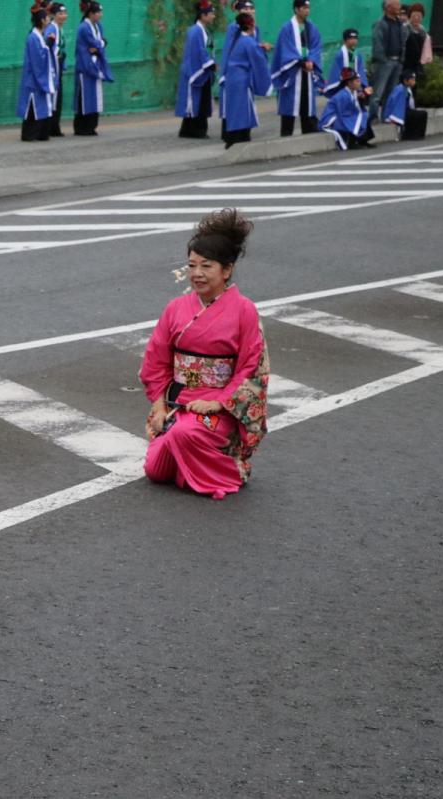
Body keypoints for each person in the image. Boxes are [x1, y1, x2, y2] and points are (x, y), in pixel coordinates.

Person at [140, 209, 268, 501]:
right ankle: (190, 465)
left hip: (218, 407)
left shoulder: (244, 310)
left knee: (185, 435)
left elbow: (250, 367)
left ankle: (230, 470)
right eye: (192, 265)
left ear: (227, 270)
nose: (197, 274)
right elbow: (156, 361)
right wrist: (159, 406)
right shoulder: (175, 308)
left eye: (206, 266)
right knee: (154, 471)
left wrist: (218, 403)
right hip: (177, 403)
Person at [218, 0, 269, 140]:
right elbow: (229, 50)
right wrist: (224, 73)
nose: (249, 11)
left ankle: (240, 133)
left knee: (244, 103)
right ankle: (232, 134)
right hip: (237, 70)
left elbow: (254, 47)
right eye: (245, 8)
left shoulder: (255, 29)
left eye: (251, 8)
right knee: (234, 103)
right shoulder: (234, 28)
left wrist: (261, 47)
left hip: (247, 70)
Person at [271, 0, 322, 136]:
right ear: (296, 9)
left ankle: (309, 133)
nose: (307, 10)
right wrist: (300, 62)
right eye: (304, 8)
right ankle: (286, 135)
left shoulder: (311, 27)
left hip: (308, 71)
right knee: (290, 106)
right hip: (292, 72)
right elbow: (285, 48)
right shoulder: (287, 28)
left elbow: (316, 46)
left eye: (308, 8)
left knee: (307, 104)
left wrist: (311, 60)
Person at [176, 2, 217, 139]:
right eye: (211, 13)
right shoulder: (195, 31)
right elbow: (198, 51)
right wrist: (210, 64)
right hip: (197, 70)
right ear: (203, 15)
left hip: (202, 70)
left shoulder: (202, 30)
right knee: (199, 102)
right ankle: (197, 130)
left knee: (198, 101)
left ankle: (187, 130)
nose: (213, 16)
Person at [73, 0, 112, 136]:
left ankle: (91, 126)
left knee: (95, 97)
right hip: (85, 66)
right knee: (85, 97)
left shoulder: (98, 26)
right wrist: (101, 44)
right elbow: (94, 43)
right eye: (98, 12)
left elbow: (98, 45)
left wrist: (99, 46)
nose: (100, 15)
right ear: (90, 14)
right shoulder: (83, 27)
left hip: (96, 65)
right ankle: (82, 128)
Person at [17, 5, 55, 143]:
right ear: (42, 20)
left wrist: (48, 44)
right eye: (47, 18)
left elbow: (42, 53)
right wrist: (48, 45)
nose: (49, 20)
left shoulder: (39, 36)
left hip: (37, 78)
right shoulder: (33, 37)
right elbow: (37, 59)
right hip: (33, 79)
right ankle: (29, 134)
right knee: (33, 107)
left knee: (41, 106)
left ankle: (40, 133)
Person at [368, 0, 407, 121]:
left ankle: (386, 115)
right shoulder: (380, 24)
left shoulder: (400, 24)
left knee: (390, 92)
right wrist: (383, 60)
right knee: (378, 92)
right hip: (384, 63)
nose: (399, 7)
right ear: (388, 7)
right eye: (396, 5)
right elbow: (378, 44)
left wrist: (401, 59)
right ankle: (373, 116)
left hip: (397, 62)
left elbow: (403, 42)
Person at [319, 67, 375, 150]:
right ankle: (352, 143)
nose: (359, 83)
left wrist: (363, 96)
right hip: (331, 119)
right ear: (349, 83)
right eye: (357, 81)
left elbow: (355, 107)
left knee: (364, 115)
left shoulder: (352, 92)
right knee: (356, 117)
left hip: (343, 115)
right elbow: (345, 111)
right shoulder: (342, 95)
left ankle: (362, 140)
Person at [43, 2, 67, 138]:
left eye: (64, 13)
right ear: (53, 15)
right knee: (53, 97)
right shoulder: (52, 28)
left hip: (58, 66)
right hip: (53, 68)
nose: (63, 16)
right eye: (60, 14)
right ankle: (51, 127)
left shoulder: (58, 28)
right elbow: (49, 46)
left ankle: (54, 126)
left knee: (58, 98)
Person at [323, 28, 369, 97]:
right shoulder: (340, 54)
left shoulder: (358, 55)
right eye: (350, 38)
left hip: (355, 85)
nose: (353, 40)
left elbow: (360, 70)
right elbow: (336, 71)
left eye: (355, 38)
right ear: (345, 40)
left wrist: (361, 85)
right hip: (343, 85)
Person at [382, 69, 427, 140]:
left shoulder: (407, 89)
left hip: (405, 110)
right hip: (396, 114)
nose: (414, 81)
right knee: (416, 115)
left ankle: (420, 135)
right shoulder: (399, 89)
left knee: (423, 114)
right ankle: (410, 135)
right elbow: (395, 105)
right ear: (405, 81)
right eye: (412, 79)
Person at [402, 3, 431, 83]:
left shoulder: (422, 30)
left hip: (417, 66)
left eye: (419, 16)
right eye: (414, 15)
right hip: (405, 66)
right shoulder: (404, 28)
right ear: (410, 16)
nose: (416, 18)